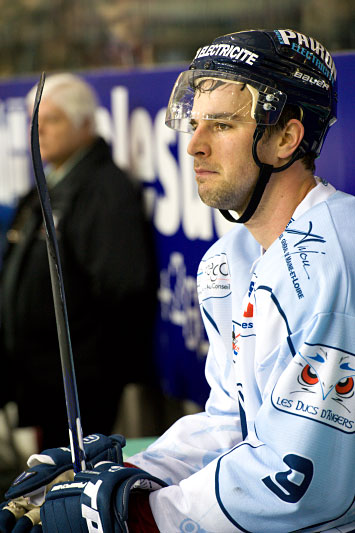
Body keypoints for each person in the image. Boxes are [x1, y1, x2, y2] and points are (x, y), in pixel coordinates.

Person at [1, 28, 355, 533]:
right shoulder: (227, 259)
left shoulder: (336, 260)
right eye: (194, 123)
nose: (193, 145)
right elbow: (230, 426)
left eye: (223, 125)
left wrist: (136, 515)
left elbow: (300, 480)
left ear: (285, 138)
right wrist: (122, 476)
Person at [0, 73, 158, 450]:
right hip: (43, 377)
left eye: (51, 120)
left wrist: (81, 367)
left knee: (70, 483)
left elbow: (123, 288)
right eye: (33, 122)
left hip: (79, 382)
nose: (38, 132)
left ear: (85, 123)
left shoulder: (105, 192)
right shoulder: (52, 183)